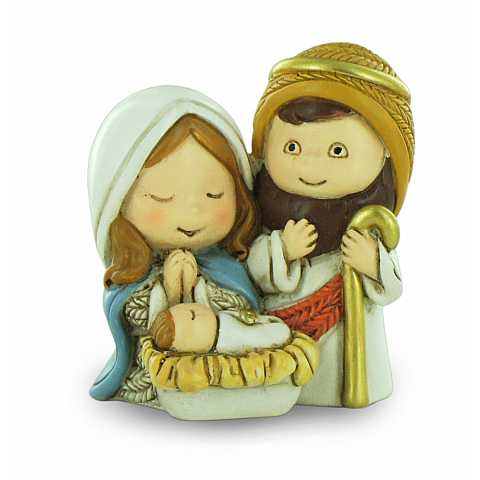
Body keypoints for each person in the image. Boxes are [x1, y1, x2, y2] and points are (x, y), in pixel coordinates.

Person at [247, 43, 414, 407]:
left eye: (337, 151)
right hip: (281, 339)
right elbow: (253, 273)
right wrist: (281, 251)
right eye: (292, 148)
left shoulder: (367, 227)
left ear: (384, 151)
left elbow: (392, 287)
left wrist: (373, 263)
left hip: (346, 345)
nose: (310, 168)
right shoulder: (267, 218)